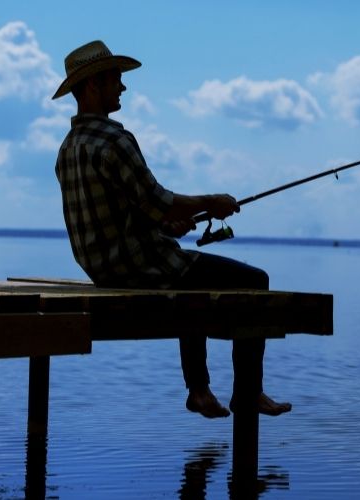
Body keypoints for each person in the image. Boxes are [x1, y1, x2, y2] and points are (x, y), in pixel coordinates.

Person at [52, 40, 291, 419]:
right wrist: (211, 201)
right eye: (116, 79)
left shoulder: (67, 149)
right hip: (140, 265)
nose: (123, 88)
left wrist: (165, 224)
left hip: (102, 269)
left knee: (188, 278)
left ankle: (199, 390)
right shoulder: (114, 139)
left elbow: (134, 209)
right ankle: (248, 392)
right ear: (93, 86)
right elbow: (158, 197)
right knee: (255, 281)